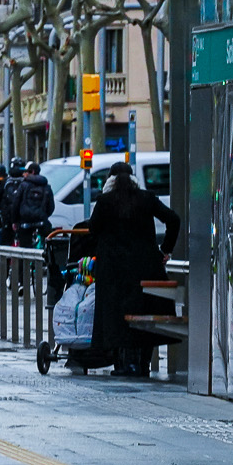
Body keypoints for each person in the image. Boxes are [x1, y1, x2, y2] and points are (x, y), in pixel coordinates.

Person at [68, 159, 177, 375]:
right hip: (146, 268)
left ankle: (125, 364)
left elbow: (94, 229)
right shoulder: (147, 198)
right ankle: (143, 363)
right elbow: (174, 219)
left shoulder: (105, 201)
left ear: (110, 180)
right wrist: (165, 249)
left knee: (115, 317)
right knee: (145, 314)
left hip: (113, 271)